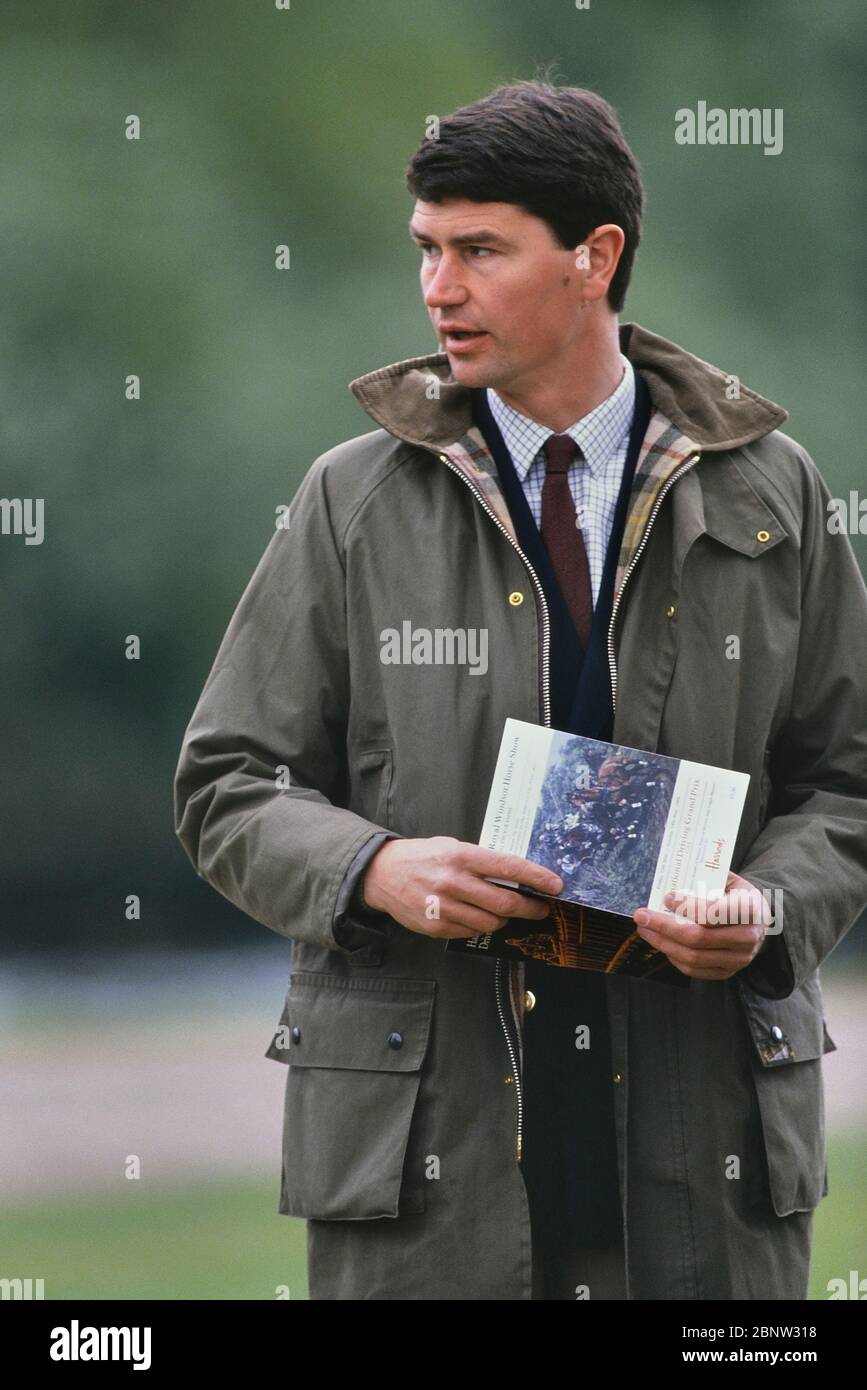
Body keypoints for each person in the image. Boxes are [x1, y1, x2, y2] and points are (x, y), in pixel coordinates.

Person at [173, 80, 867, 1300]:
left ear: (596, 257)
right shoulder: (350, 499)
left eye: (479, 250)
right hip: (429, 1179)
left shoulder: (776, 494)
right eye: (427, 251)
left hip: (706, 1179)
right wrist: (374, 870)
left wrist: (762, 908)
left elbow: (850, 783)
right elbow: (229, 785)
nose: (438, 288)